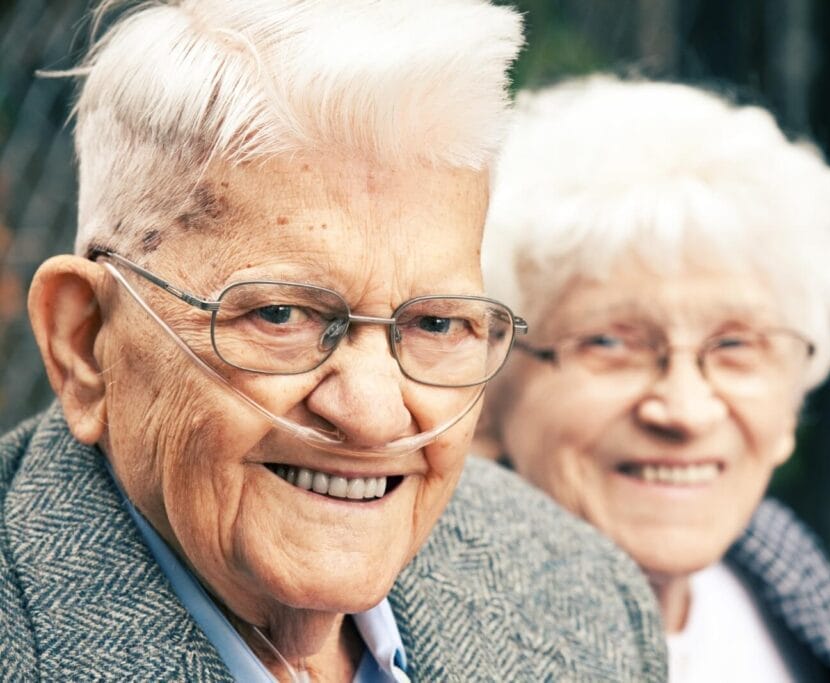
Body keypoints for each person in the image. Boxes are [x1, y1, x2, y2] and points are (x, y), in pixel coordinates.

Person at [0, 6, 667, 681]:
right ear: (83, 342)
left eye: (436, 324)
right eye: (281, 314)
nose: (373, 414)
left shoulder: (584, 601)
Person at [477, 75, 830, 683]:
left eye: (736, 345)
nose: (685, 410)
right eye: (610, 343)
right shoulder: (430, 639)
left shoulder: (780, 566)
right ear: (486, 389)